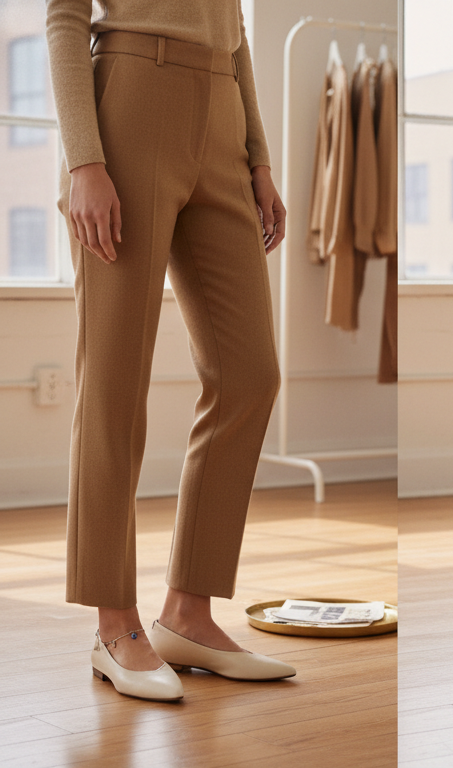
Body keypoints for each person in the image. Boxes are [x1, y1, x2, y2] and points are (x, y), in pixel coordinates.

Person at [47, 0, 296, 701]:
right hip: (130, 100)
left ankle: (187, 614)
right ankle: (113, 622)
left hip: (221, 110)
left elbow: (236, 29)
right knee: (115, 380)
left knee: (250, 373)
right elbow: (64, 17)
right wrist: (84, 160)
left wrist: (259, 154)